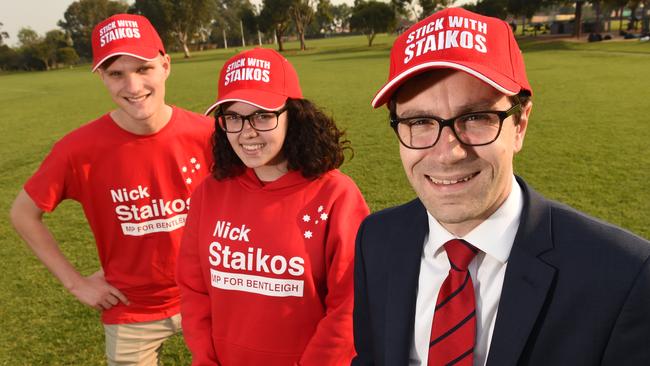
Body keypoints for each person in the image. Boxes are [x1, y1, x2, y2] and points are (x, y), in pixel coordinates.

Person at [353, 7, 650, 366]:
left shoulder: (623, 276)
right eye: (420, 121)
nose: (447, 152)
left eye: (476, 117)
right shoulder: (377, 239)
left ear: (520, 123)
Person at [9, 14, 213, 365]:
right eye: (116, 73)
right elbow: (23, 213)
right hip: (131, 308)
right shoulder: (79, 149)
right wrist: (76, 284)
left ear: (166, 65)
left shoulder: (209, 135)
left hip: (211, 297)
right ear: (101, 76)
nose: (133, 87)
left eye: (144, 68)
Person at [176, 47, 369, 365]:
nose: (247, 131)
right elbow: (193, 289)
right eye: (233, 117)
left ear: (293, 115)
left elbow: (350, 305)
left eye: (262, 115)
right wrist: (206, 359)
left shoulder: (336, 195)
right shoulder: (209, 193)